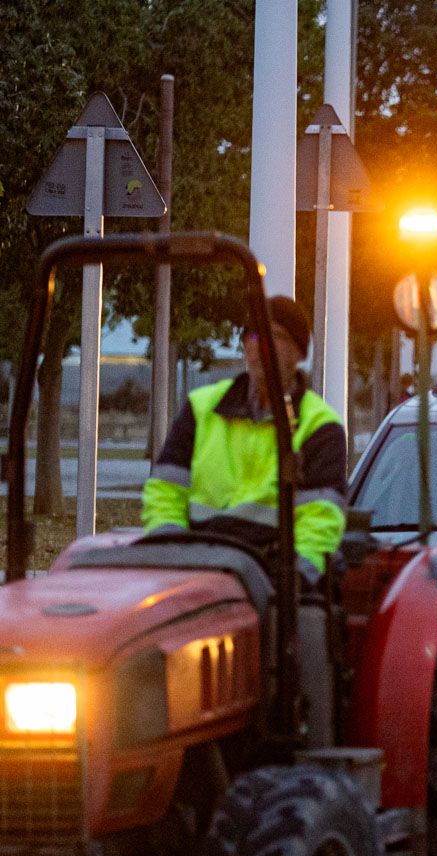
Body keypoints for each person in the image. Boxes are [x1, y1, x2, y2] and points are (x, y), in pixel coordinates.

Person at [143, 295, 347, 735]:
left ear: (298, 351)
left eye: (273, 336)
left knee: (307, 628)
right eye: (252, 334)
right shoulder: (202, 408)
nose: (258, 346)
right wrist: (166, 545)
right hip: (196, 563)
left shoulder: (319, 426)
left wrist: (292, 578)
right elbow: (164, 490)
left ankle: (311, 751)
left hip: (274, 571)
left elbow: (321, 520)